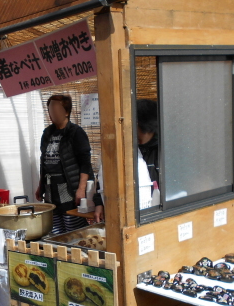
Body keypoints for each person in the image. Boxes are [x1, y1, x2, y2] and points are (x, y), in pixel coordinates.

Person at [35, 94, 93, 234]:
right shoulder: (47, 133)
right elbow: (44, 161)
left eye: (56, 108)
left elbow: (85, 162)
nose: (53, 112)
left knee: (72, 227)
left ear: (66, 112)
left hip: (68, 188)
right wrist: (40, 185)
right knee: (54, 229)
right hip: (50, 188)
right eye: (50, 109)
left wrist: (81, 188)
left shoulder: (76, 132)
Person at [93, 99, 159, 221]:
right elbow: (104, 178)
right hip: (125, 214)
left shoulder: (163, 151)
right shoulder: (123, 146)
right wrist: (99, 203)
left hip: (154, 215)